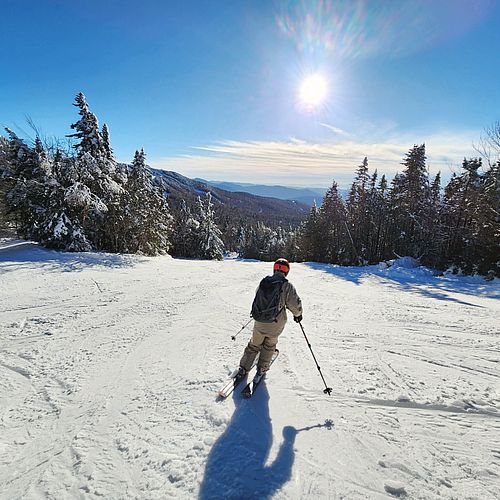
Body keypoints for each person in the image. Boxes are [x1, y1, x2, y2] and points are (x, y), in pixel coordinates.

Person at [238, 258, 303, 377]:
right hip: (275, 323)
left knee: (254, 344)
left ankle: (243, 368)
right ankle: (262, 368)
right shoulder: (286, 286)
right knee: (269, 345)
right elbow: (294, 303)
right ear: (287, 271)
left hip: (259, 321)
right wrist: (298, 315)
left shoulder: (264, 282)